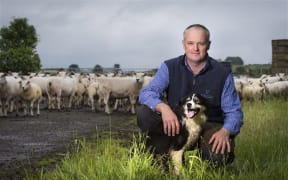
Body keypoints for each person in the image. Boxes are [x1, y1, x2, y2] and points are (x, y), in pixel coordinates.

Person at [136, 24, 243, 166]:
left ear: (208, 45)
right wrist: (163, 107)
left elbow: (234, 112)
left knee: (218, 156)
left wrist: (226, 131)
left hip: (208, 125)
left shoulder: (222, 73)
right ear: (183, 44)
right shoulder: (170, 67)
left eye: (201, 43)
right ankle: (163, 154)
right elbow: (147, 93)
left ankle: (207, 157)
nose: (195, 48)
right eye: (190, 43)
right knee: (145, 112)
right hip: (178, 124)